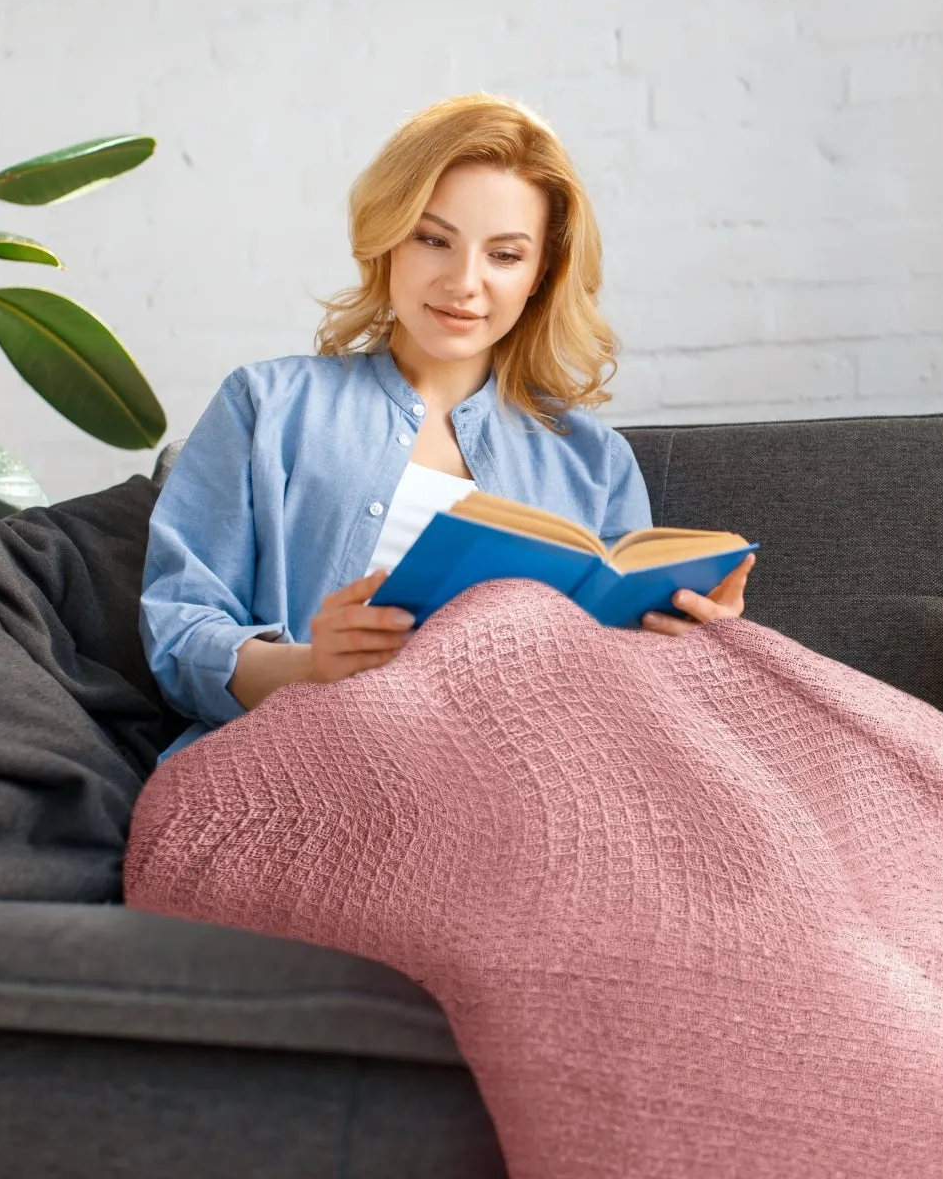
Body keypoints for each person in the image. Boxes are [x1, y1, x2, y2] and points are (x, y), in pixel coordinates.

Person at [140, 93, 756, 759]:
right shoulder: (266, 405)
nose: (464, 283)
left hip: (518, 778)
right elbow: (179, 631)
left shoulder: (593, 462)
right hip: (300, 759)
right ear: (388, 242)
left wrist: (693, 649)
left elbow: (617, 705)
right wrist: (312, 665)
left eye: (505, 255)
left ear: (538, 276)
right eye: (433, 239)